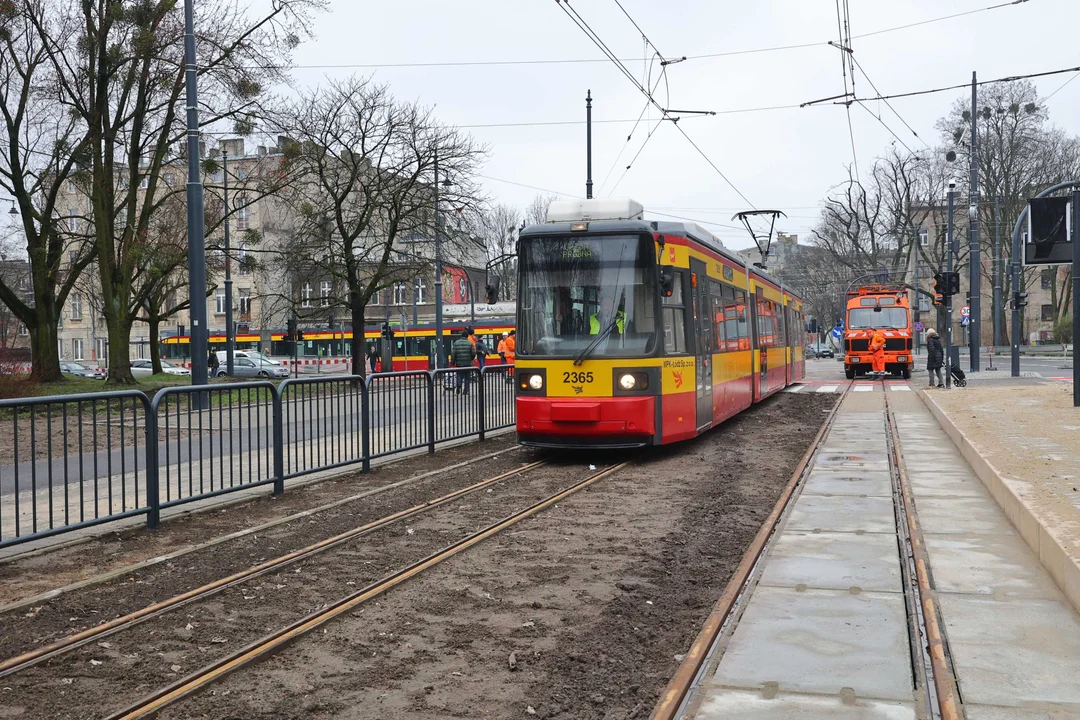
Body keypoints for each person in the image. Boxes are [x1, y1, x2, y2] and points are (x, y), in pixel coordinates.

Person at [451, 329, 476, 394]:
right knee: (467, 377)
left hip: (459, 363)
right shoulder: (470, 343)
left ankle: (459, 385)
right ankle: (466, 390)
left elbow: (453, 354)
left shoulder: (456, 343)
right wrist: (471, 359)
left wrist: (452, 363)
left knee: (459, 375)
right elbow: (473, 353)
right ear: (467, 336)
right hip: (468, 363)